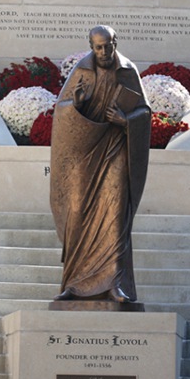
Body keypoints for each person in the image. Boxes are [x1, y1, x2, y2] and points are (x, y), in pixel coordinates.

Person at [49, 25, 151, 303]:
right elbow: (61, 109)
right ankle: (75, 283)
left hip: (116, 147)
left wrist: (126, 121)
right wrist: (76, 105)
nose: (104, 52)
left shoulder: (128, 72)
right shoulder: (81, 71)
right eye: (99, 47)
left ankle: (115, 283)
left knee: (115, 212)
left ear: (116, 43)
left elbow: (144, 111)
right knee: (78, 210)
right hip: (85, 153)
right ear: (91, 46)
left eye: (109, 46)